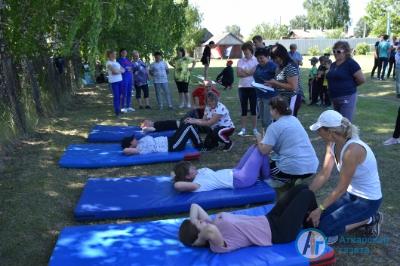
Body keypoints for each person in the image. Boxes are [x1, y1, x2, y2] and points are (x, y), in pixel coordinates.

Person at [308, 110, 383, 244]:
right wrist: (306, 193)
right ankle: (361, 218)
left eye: (320, 130)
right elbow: (324, 174)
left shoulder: (352, 150)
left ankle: (371, 218)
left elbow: (341, 188)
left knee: (325, 230)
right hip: (350, 195)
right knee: (317, 223)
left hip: (368, 200)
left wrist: (320, 209)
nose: (318, 133)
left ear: (330, 132)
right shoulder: (331, 143)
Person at [178, 184, 318, 252]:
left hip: (269, 219)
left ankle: (308, 218)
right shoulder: (216, 244)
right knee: (306, 195)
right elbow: (209, 230)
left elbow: (194, 206)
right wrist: (199, 241)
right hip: (278, 233)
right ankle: (316, 228)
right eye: (199, 224)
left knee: (301, 188)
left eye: (199, 220)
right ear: (201, 236)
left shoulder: (209, 223)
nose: (201, 221)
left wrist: (194, 222)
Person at [256, 96, 318, 188]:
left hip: (292, 167)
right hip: (311, 167)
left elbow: (264, 151)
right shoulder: (294, 120)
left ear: (275, 110)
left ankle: (283, 180)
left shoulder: (274, 127)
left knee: (262, 171)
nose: (270, 112)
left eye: (270, 109)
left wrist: (259, 138)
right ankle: (295, 178)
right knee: (276, 161)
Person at [172, 144, 270, 192]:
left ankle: (265, 175)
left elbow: (173, 174)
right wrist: (175, 180)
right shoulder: (197, 185)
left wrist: (175, 175)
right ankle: (267, 178)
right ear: (188, 177)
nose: (194, 167)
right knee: (260, 149)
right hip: (241, 179)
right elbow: (177, 185)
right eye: (191, 169)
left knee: (255, 146)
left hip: (236, 171)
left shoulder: (196, 173)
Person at [326, 41, 365, 122]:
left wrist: (350, 86)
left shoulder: (351, 63)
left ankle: (349, 135)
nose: (335, 53)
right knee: (336, 122)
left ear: (346, 52)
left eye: (338, 51)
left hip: (347, 97)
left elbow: (361, 80)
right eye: (334, 51)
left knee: (345, 124)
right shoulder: (333, 65)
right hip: (335, 97)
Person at [264, 43, 301, 116]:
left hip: (291, 98)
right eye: (272, 58)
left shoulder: (290, 67)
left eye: (275, 57)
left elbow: (293, 87)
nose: (274, 60)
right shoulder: (279, 67)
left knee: (288, 121)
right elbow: (281, 82)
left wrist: (276, 83)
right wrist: (272, 84)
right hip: (283, 98)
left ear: (282, 55)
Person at [121, 122, 202, 155]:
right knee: (189, 126)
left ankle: (197, 142)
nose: (134, 139)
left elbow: (151, 130)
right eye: (133, 139)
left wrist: (146, 129)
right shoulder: (139, 149)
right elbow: (125, 151)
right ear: (131, 144)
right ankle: (201, 146)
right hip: (173, 145)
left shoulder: (140, 141)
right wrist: (128, 148)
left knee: (186, 123)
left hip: (171, 139)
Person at [237, 42, 259, 136]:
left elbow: (255, 72)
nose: (245, 54)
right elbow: (238, 74)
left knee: (253, 109)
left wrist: (245, 72)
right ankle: (243, 129)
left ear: (251, 51)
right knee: (244, 109)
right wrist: (249, 72)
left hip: (253, 87)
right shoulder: (240, 61)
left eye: (247, 52)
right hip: (242, 87)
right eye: (244, 52)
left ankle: (254, 129)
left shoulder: (256, 60)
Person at [253, 47, 277, 131]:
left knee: (267, 120)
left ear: (267, 57)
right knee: (263, 120)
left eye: (261, 58)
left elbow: (279, 80)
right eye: (257, 58)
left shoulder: (273, 66)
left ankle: (269, 141)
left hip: (269, 96)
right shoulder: (258, 66)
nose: (259, 60)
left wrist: (272, 83)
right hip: (259, 95)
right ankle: (265, 139)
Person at [106, 50, 125, 116]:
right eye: (114, 54)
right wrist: (120, 71)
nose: (115, 55)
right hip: (114, 82)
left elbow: (123, 70)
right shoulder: (108, 63)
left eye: (115, 54)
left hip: (120, 80)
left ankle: (119, 109)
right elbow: (114, 72)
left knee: (120, 96)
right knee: (116, 96)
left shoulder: (116, 62)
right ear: (110, 55)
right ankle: (117, 111)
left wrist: (119, 71)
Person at [117, 49, 135, 113]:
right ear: (121, 53)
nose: (125, 53)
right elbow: (122, 69)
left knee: (129, 92)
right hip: (123, 78)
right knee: (124, 92)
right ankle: (123, 107)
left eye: (126, 52)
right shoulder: (119, 60)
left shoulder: (128, 60)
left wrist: (129, 69)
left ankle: (128, 106)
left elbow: (131, 68)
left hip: (129, 77)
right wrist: (127, 68)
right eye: (123, 52)